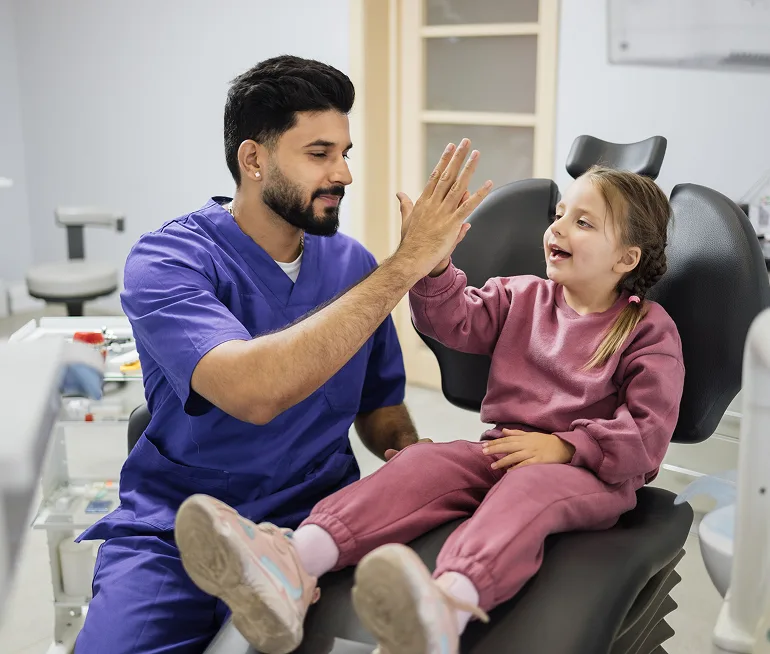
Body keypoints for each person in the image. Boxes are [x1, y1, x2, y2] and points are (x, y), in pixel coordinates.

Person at [174, 166, 686, 654]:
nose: (557, 227)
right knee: (422, 461)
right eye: (559, 213)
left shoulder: (647, 331)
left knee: (530, 488)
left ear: (627, 259)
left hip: (589, 473)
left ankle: (446, 608)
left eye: (583, 221)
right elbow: (454, 321)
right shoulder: (523, 296)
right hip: (503, 449)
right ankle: (295, 565)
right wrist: (436, 265)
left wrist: (564, 447)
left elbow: (647, 435)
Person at [74, 55, 491, 654]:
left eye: (347, 153)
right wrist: (405, 267)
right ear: (254, 159)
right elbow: (254, 392)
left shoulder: (351, 267)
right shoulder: (167, 263)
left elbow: (379, 404)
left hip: (318, 521)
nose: (344, 173)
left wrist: (415, 461)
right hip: (181, 528)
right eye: (320, 154)